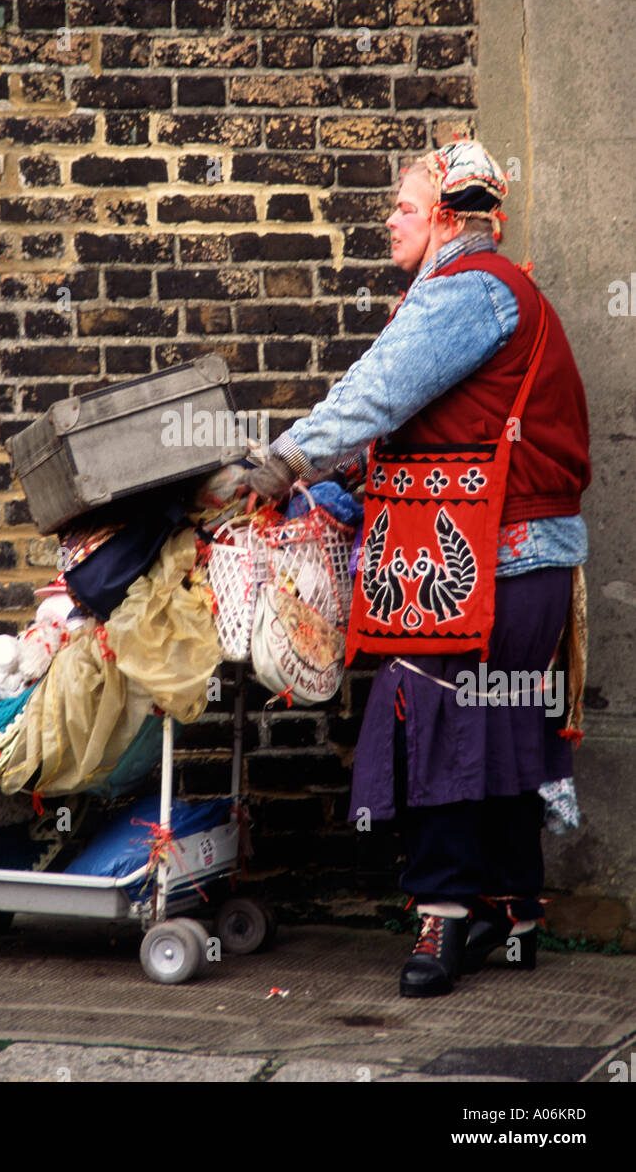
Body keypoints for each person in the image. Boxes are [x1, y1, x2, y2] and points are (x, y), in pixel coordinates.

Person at [248, 139, 591, 997]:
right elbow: (423, 428)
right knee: (499, 724)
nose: (390, 222)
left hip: (487, 560)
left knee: (435, 716)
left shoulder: (468, 289)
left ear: (444, 214)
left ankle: (445, 916)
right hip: (507, 555)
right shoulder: (482, 293)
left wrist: (280, 464)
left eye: (403, 207)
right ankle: (511, 912)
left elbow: (374, 394)